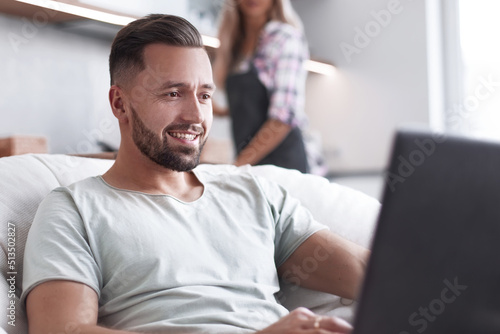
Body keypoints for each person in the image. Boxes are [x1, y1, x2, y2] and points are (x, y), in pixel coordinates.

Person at [21, 14, 368, 334]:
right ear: (119, 104)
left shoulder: (253, 193)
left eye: (204, 95)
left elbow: (380, 278)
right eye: (173, 93)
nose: (195, 116)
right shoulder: (74, 210)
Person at [213, 0, 326, 175]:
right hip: (252, 168)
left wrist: (237, 166)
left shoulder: (285, 38)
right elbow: (254, 107)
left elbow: (283, 118)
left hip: (284, 166)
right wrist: (220, 111)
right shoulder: (234, 45)